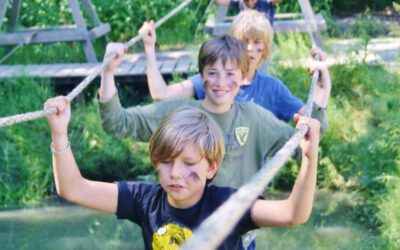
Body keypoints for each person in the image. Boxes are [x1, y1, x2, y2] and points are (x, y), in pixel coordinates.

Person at [44, 97, 321, 249]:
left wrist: (309, 158)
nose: (175, 173)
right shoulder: (145, 200)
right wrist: (59, 133)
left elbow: (292, 214)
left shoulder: (227, 206)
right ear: (155, 160)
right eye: (167, 161)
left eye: (189, 164)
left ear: (211, 167)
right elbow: (73, 189)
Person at [98, 34, 328, 189]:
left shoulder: (255, 118)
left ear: (242, 76)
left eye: (230, 74)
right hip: (186, 233)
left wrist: (321, 91)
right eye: (212, 73)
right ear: (201, 75)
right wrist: (107, 72)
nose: (221, 82)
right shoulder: (179, 113)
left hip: (239, 236)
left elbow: (306, 141)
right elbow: (117, 122)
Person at [140, 10, 330, 123]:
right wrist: (149, 48)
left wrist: (323, 85)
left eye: (257, 42)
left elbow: (311, 119)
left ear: (265, 48)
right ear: (234, 43)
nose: (251, 49)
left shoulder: (272, 88)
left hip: (251, 184)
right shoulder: (215, 81)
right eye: (245, 41)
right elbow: (161, 94)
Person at [215, 0, 283, 25]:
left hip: (262, 39)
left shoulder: (265, 2)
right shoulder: (241, 2)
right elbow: (221, 1)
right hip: (245, 38)